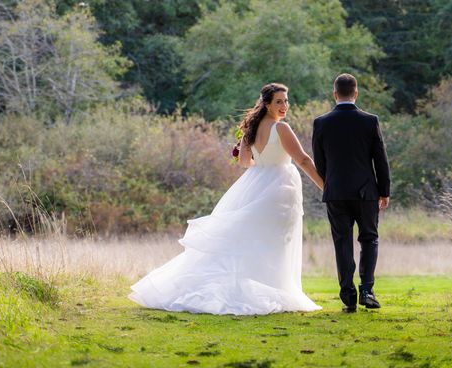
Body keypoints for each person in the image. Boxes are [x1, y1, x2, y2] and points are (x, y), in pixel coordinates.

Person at [129, 83, 323, 315]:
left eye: (286, 101)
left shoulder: (250, 129)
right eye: (279, 101)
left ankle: (263, 289)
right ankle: (270, 290)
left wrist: (261, 164)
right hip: (278, 189)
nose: (284, 106)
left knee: (256, 240)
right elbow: (302, 160)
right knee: (275, 241)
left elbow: (244, 162)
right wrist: (325, 186)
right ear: (267, 104)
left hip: (256, 183)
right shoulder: (281, 129)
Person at [312, 73, 391, 313]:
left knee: (342, 242)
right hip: (366, 191)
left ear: (335, 94)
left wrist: (331, 183)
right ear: (355, 93)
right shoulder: (370, 121)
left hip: (335, 192)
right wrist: (384, 191)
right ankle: (367, 289)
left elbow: (320, 162)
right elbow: (380, 159)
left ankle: (348, 296)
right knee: (369, 239)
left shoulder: (321, 122)